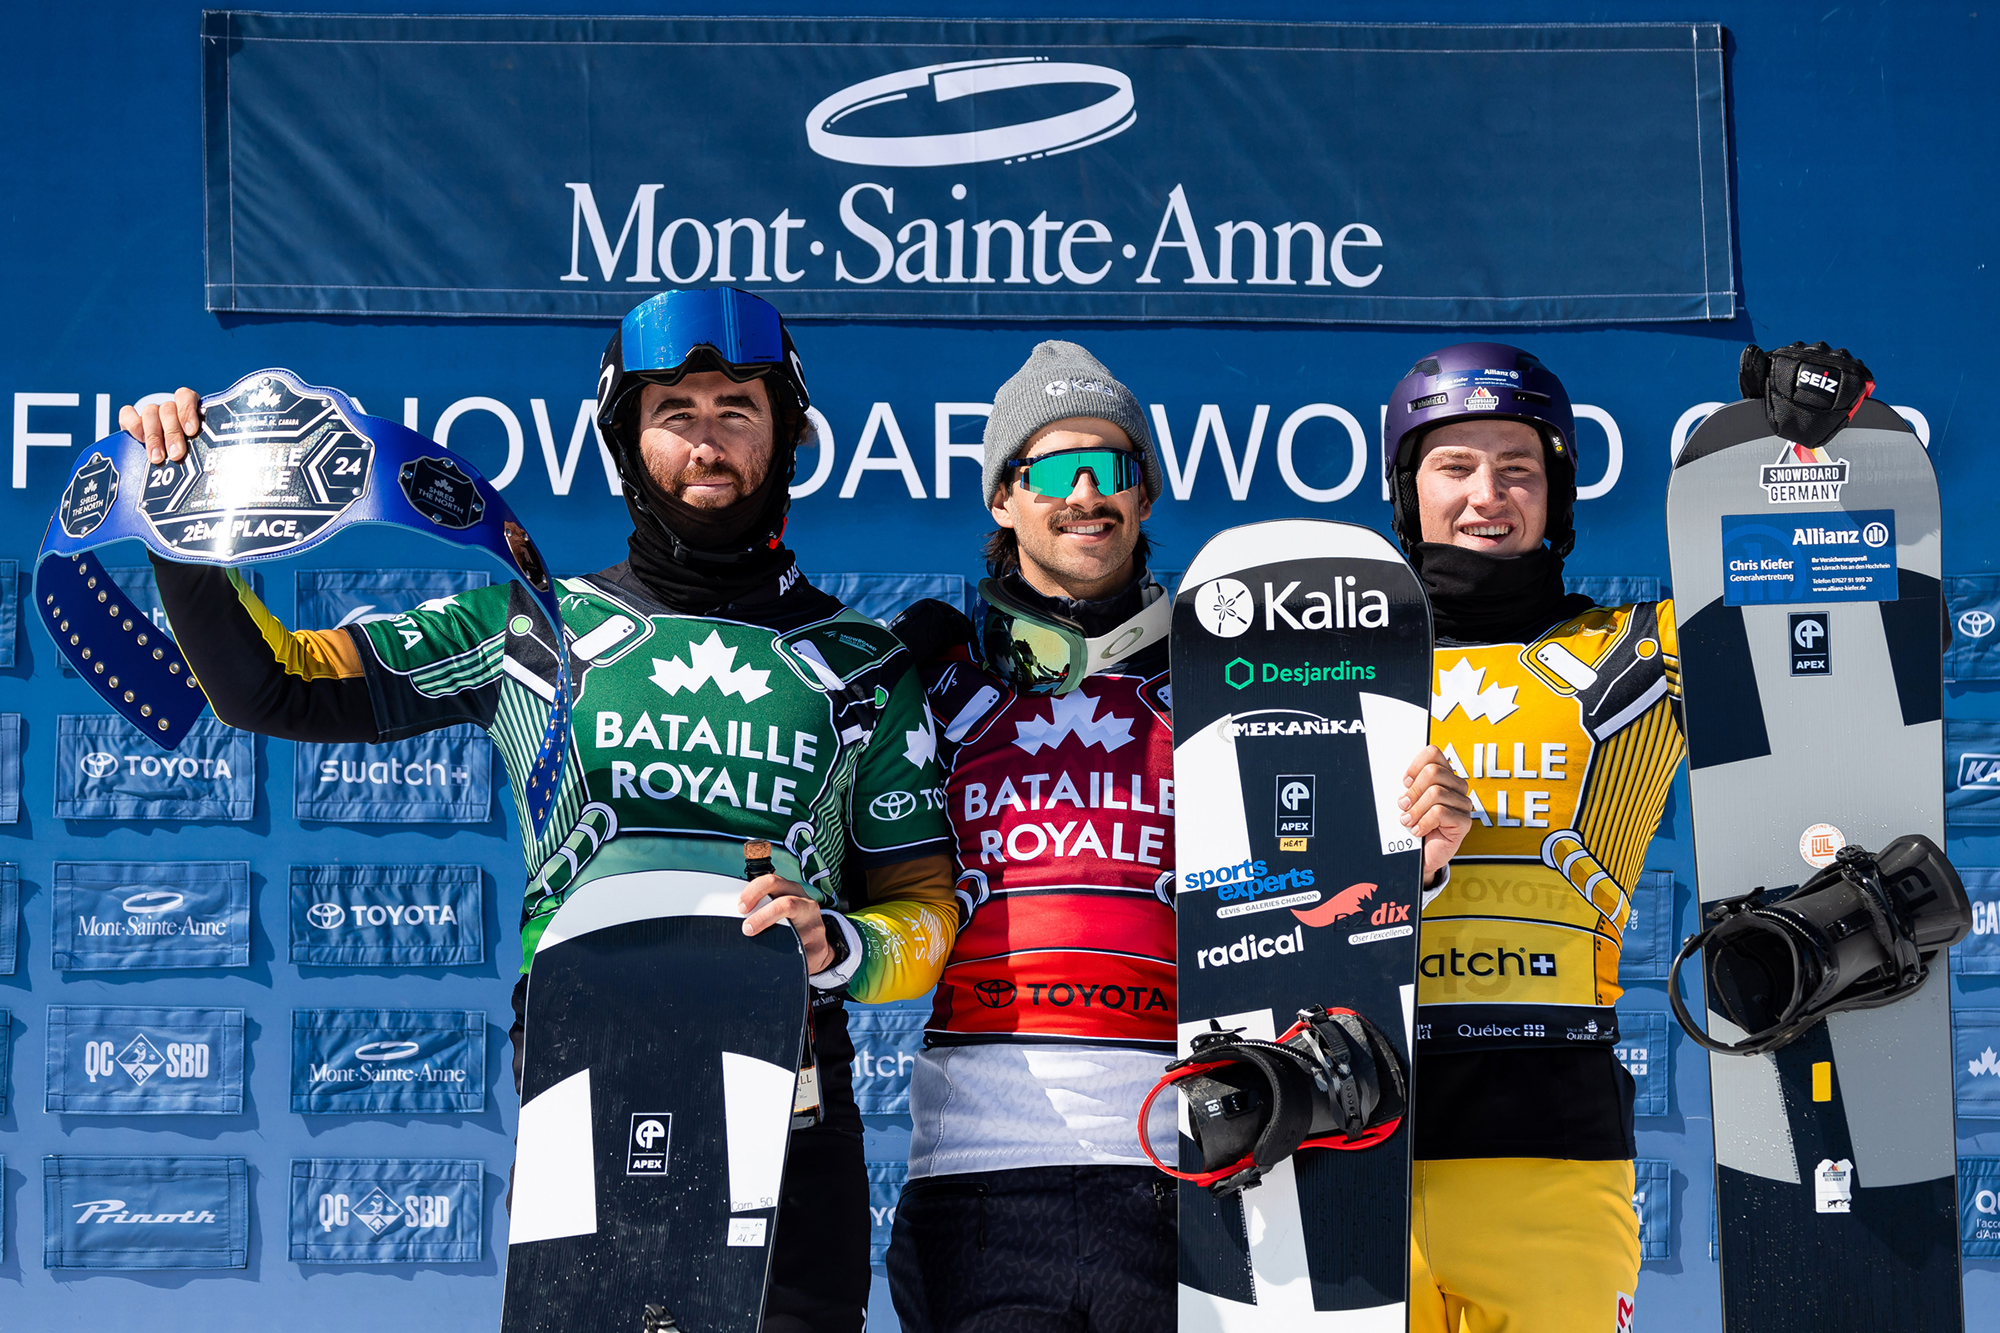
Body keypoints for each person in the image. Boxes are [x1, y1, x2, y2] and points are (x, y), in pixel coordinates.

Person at [121, 287, 960, 1333]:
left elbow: (927, 911)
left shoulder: (864, 670)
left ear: (786, 437)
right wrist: (182, 521)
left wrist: (836, 940)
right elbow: (271, 684)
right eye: (675, 414)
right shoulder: (533, 627)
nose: (707, 441)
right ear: (625, 442)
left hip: (794, 1097)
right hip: (585, 1068)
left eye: (737, 410)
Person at [883, 341, 1473, 1333]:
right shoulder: (930, 685)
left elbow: (1316, 900)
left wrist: (1415, 852)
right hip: (978, 1185)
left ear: (1145, 494)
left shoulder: (1224, 687)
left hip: (1187, 1169)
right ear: (1001, 498)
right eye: (1054, 469)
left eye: (1112, 468)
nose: (1086, 494)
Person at [1383, 343, 1686, 1332]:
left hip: (1549, 1144)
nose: (1487, 494)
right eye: (1453, 466)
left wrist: (1823, 456)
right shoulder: (1315, 669)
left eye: (1517, 468)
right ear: (1405, 488)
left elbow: (1871, 623)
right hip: (1343, 1140)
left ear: (1556, 494)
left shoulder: (1638, 652)